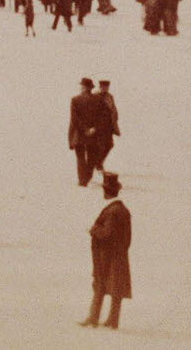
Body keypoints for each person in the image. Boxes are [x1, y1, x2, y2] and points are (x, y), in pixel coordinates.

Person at [80, 172, 131, 330]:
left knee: (100, 285)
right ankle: (112, 320)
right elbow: (127, 237)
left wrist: (94, 230)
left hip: (107, 256)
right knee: (116, 289)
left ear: (106, 192)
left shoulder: (112, 211)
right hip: (119, 255)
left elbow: (106, 233)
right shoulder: (123, 210)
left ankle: (94, 318)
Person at [68, 76, 102, 187]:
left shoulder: (75, 100)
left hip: (79, 134)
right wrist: (93, 129)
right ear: (90, 88)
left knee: (80, 158)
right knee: (92, 157)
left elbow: (74, 119)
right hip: (94, 134)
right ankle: (87, 177)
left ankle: (82, 181)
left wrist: (84, 130)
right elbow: (101, 118)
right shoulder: (98, 100)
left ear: (83, 87)